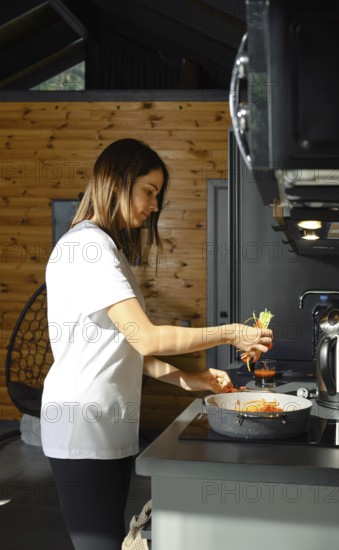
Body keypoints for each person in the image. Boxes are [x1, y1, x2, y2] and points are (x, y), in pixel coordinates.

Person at [40, 138, 273, 550]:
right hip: (84, 427)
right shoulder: (89, 247)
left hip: (105, 426)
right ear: (118, 181)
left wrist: (190, 378)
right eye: (149, 190)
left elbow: (125, 348)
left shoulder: (104, 247)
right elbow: (145, 335)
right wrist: (231, 332)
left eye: (157, 195)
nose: (153, 205)